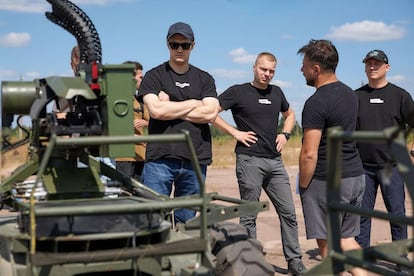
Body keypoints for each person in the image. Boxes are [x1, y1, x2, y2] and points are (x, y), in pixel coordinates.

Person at [212, 52, 306, 275]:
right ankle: (250, 265)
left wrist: (285, 133)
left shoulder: (277, 92)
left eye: (272, 71)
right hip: (249, 160)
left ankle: (295, 262)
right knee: (249, 216)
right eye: (263, 69)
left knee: (289, 213)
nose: (267, 74)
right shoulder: (238, 91)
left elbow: (290, 114)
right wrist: (235, 132)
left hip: (275, 161)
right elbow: (211, 113)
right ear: (254, 67)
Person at [297, 39, 367, 276]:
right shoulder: (350, 94)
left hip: (327, 181)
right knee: (347, 241)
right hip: (355, 176)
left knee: (327, 248)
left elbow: (309, 153)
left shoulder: (316, 102)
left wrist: (304, 185)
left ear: (316, 69)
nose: (301, 70)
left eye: (304, 65)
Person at [138, 22, 219, 224]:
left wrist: (171, 106)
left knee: (187, 222)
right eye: (175, 44)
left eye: (185, 45)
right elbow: (156, 111)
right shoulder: (154, 76)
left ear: (193, 45)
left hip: (195, 158)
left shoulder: (204, 78)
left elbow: (210, 113)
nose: (180, 49)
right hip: (160, 159)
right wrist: (194, 103)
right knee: (155, 220)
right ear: (168, 45)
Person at [354, 50, 414, 254]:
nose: (372, 67)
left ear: (386, 67)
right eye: (369, 63)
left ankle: (401, 258)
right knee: (361, 214)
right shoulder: (357, 96)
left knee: (397, 214)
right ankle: (360, 257)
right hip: (363, 167)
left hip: (392, 166)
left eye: (377, 64)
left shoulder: (400, 96)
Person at [115, 61, 149, 181]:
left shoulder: (139, 100)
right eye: (140, 77)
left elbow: (153, 121)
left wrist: (144, 123)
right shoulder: (117, 100)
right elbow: (113, 126)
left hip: (140, 154)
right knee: (125, 192)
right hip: (123, 155)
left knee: (140, 192)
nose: (142, 80)